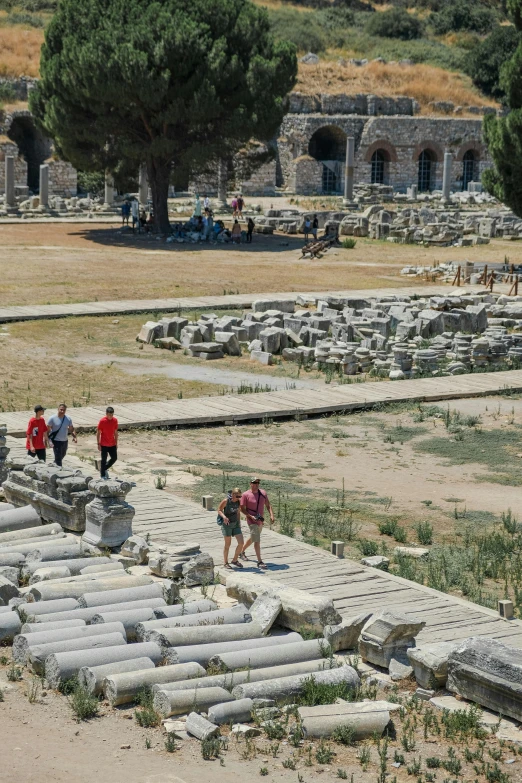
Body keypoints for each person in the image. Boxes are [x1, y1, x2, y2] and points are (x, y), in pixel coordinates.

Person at [240, 477, 274, 569]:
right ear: (250, 483)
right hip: (251, 521)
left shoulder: (263, 493)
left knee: (253, 537)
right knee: (257, 540)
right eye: (254, 483)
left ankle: (241, 551)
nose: (256, 485)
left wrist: (271, 515)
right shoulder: (245, 495)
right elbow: (242, 509)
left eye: (257, 483)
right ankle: (260, 561)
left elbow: (268, 505)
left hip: (260, 520)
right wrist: (250, 516)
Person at [217, 488, 244, 570]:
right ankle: (225, 562)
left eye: (239, 495)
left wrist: (239, 522)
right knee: (227, 545)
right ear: (232, 494)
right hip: (227, 525)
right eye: (236, 495)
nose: (238, 497)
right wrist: (224, 517)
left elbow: (238, 512)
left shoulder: (239, 502)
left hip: (235, 524)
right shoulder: (226, 501)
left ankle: (235, 560)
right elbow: (219, 510)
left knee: (241, 543)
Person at [47, 403, 77, 467]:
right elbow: (47, 430)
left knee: (63, 455)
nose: (62, 411)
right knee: (58, 458)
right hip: (56, 441)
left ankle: (54, 465)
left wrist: (74, 437)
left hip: (64, 441)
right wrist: (47, 440)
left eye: (64, 410)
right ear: (58, 409)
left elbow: (71, 429)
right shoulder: (52, 418)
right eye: (61, 410)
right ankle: (59, 472)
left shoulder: (68, 418)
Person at [97, 406, 118, 479]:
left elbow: (115, 432)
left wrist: (116, 442)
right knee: (104, 459)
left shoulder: (115, 420)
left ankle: (104, 468)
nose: (110, 417)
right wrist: (98, 443)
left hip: (112, 443)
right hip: (104, 443)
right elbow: (98, 433)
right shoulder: (102, 421)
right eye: (109, 415)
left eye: (111, 415)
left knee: (114, 458)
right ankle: (102, 475)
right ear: (106, 414)